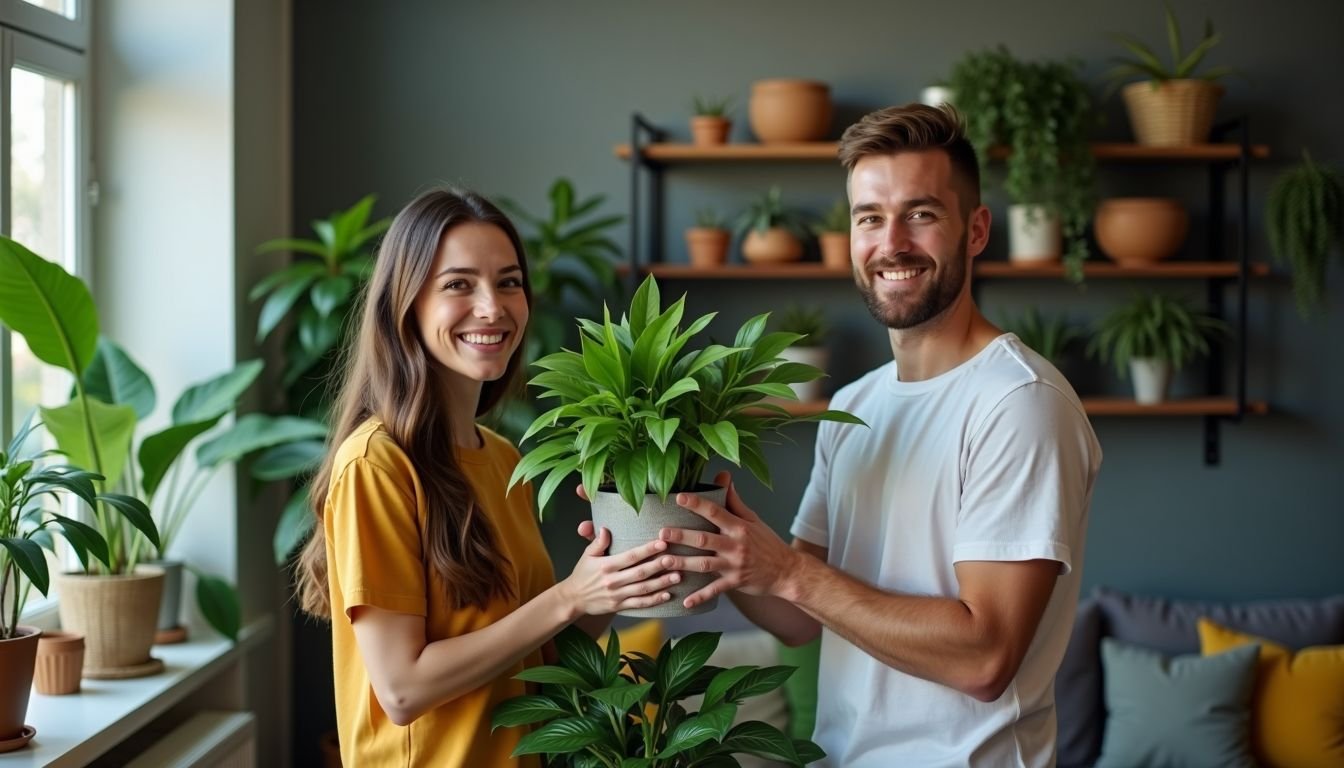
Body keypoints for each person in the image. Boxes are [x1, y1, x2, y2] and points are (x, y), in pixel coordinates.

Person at [653, 104, 1103, 767]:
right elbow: (800, 616)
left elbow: (984, 657)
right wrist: (719, 548)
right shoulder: (856, 405)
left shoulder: (1019, 404)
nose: (890, 242)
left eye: (920, 214)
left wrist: (789, 573)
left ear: (976, 230)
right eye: (869, 217)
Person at [295, 187, 680, 767]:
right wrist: (567, 597)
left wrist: (608, 582)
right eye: (458, 284)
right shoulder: (376, 465)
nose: (492, 307)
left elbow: (533, 657)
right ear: (407, 304)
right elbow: (403, 690)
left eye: (508, 282)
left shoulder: (502, 460)